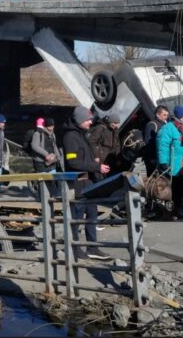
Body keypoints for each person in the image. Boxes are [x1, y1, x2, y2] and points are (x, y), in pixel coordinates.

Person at [62, 106, 111, 260]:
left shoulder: (81, 134)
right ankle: (75, 249)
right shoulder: (71, 137)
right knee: (76, 218)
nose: (90, 122)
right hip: (78, 186)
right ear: (79, 120)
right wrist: (96, 167)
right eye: (88, 120)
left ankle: (92, 248)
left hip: (89, 184)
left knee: (92, 216)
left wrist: (95, 164)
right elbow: (72, 162)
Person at [157, 106, 183, 220]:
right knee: (170, 191)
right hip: (172, 164)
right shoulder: (168, 128)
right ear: (180, 117)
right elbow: (163, 147)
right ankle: (168, 212)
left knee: (180, 190)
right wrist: (163, 162)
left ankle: (176, 210)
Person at [143, 105, 170, 177]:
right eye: (164, 115)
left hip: (162, 157)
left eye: (167, 115)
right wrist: (152, 158)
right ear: (157, 114)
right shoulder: (152, 124)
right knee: (153, 178)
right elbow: (148, 143)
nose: (166, 117)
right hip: (153, 157)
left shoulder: (165, 125)